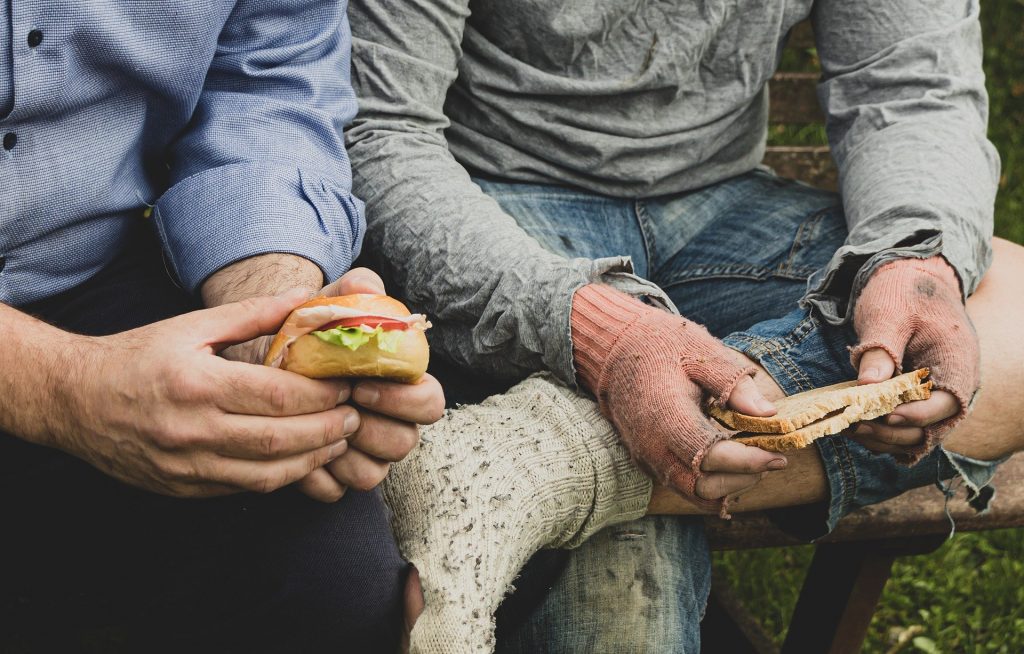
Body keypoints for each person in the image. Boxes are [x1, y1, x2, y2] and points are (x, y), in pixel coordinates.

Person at [345, 0, 1024, 650]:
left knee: (1006, 315)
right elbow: (381, 130)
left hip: (727, 209)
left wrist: (912, 263)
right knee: (626, 596)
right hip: (491, 201)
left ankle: (530, 462)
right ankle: (579, 457)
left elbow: (910, 87)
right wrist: (603, 335)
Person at [0, 2, 443, 652]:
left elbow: (267, 76)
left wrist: (272, 329)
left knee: (335, 588)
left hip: (92, 273)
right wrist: (60, 387)